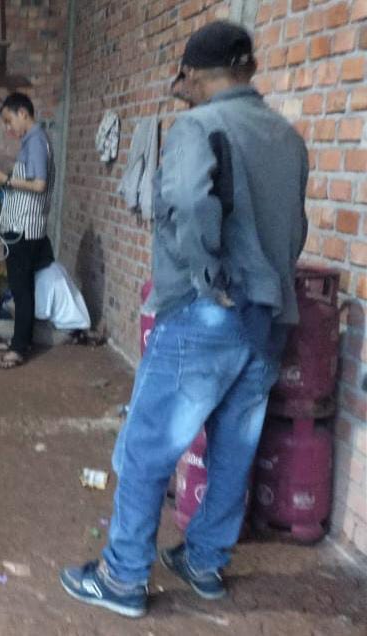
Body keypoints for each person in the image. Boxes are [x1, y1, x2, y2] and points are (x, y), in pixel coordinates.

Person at [59, 21, 308, 618]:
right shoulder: (287, 137)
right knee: (233, 449)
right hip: (268, 317)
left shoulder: (198, 127)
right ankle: (203, 562)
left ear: (192, 75)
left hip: (206, 316)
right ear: (248, 68)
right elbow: (295, 228)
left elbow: (193, 202)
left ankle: (122, 577)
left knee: (147, 447)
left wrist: (209, 275)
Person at [0, 92, 56, 369]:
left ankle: (19, 348)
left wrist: (6, 179)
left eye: (9, 120)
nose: (8, 127)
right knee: (22, 287)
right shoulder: (32, 141)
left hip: (25, 227)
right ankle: (19, 340)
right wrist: (5, 179)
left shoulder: (36, 140)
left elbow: (39, 185)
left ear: (23, 113)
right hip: (24, 225)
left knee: (21, 290)